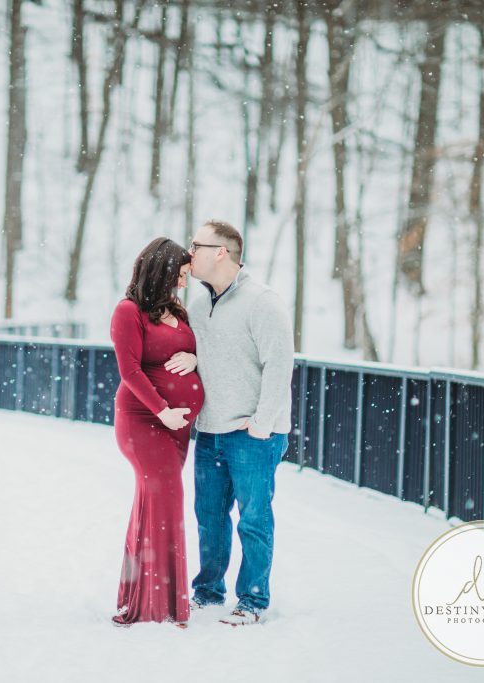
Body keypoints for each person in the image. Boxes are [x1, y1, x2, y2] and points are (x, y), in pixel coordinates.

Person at [171, 219, 294, 626]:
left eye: (197, 245)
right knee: (209, 518)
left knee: (253, 520)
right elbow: (214, 353)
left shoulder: (263, 302)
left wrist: (262, 423)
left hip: (252, 434)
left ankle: (253, 601)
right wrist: (194, 359)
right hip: (209, 431)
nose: (190, 252)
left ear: (221, 252)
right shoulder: (197, 304)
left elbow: (279, 365)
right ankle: (208, 592)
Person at [109, 237, 204, 628]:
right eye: (181, 274)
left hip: (175, 428)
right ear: (163, 271)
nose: (183, 282)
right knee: (166, 500)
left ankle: (144, 596)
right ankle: (157, 604)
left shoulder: (177, 310)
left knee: (154, 504)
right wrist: (163, 411)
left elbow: (193, 350)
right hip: (143, 420)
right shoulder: (128, 311)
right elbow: (129, 370)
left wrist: (194, 357)